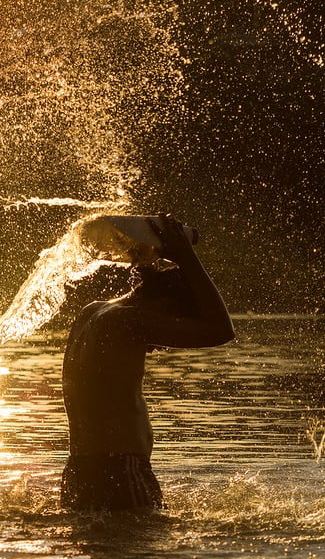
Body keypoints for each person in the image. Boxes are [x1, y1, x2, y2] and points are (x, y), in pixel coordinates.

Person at [61, 214, 233, 512]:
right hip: (119, 471)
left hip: (78, 473)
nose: (162, 344)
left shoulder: (93, 312)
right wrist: (185, 255)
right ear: (166, 306)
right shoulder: (129, 321)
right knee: (142, 555)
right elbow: (221, 330)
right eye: (173, 322)